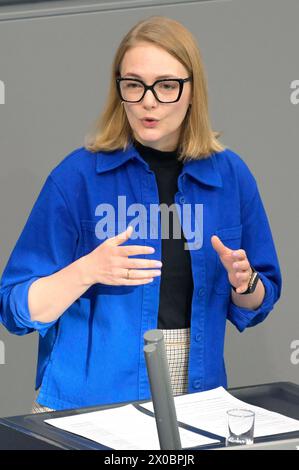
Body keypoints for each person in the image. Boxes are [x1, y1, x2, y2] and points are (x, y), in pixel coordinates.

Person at [0, 16, 282, 413]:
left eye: (166, 85)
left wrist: (245, 283)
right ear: (120, 91)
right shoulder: (76, 177)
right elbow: (15, 309)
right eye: (134, 85)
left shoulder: (231, 176)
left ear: (192, 91)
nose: (149, 101)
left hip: (198, 398)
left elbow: (261, 296)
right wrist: (88, 270)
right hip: (87, 405)